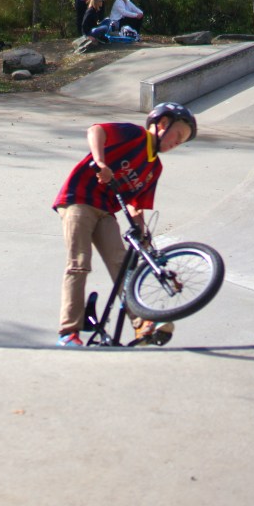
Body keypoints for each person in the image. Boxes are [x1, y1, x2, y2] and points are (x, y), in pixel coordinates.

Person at [52, 102, 197, 347]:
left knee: (121, 265)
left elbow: (136, 205)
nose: (178, 143)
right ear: (162, 124)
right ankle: (68, 333)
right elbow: (96, 130)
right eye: (179, 135)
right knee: (79, 263)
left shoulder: (154, 168)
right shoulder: (134, 135)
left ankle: (142, 324)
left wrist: (143, 232)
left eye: (182, 142)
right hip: (79, 198)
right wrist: (100, 162)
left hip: (106, 210)